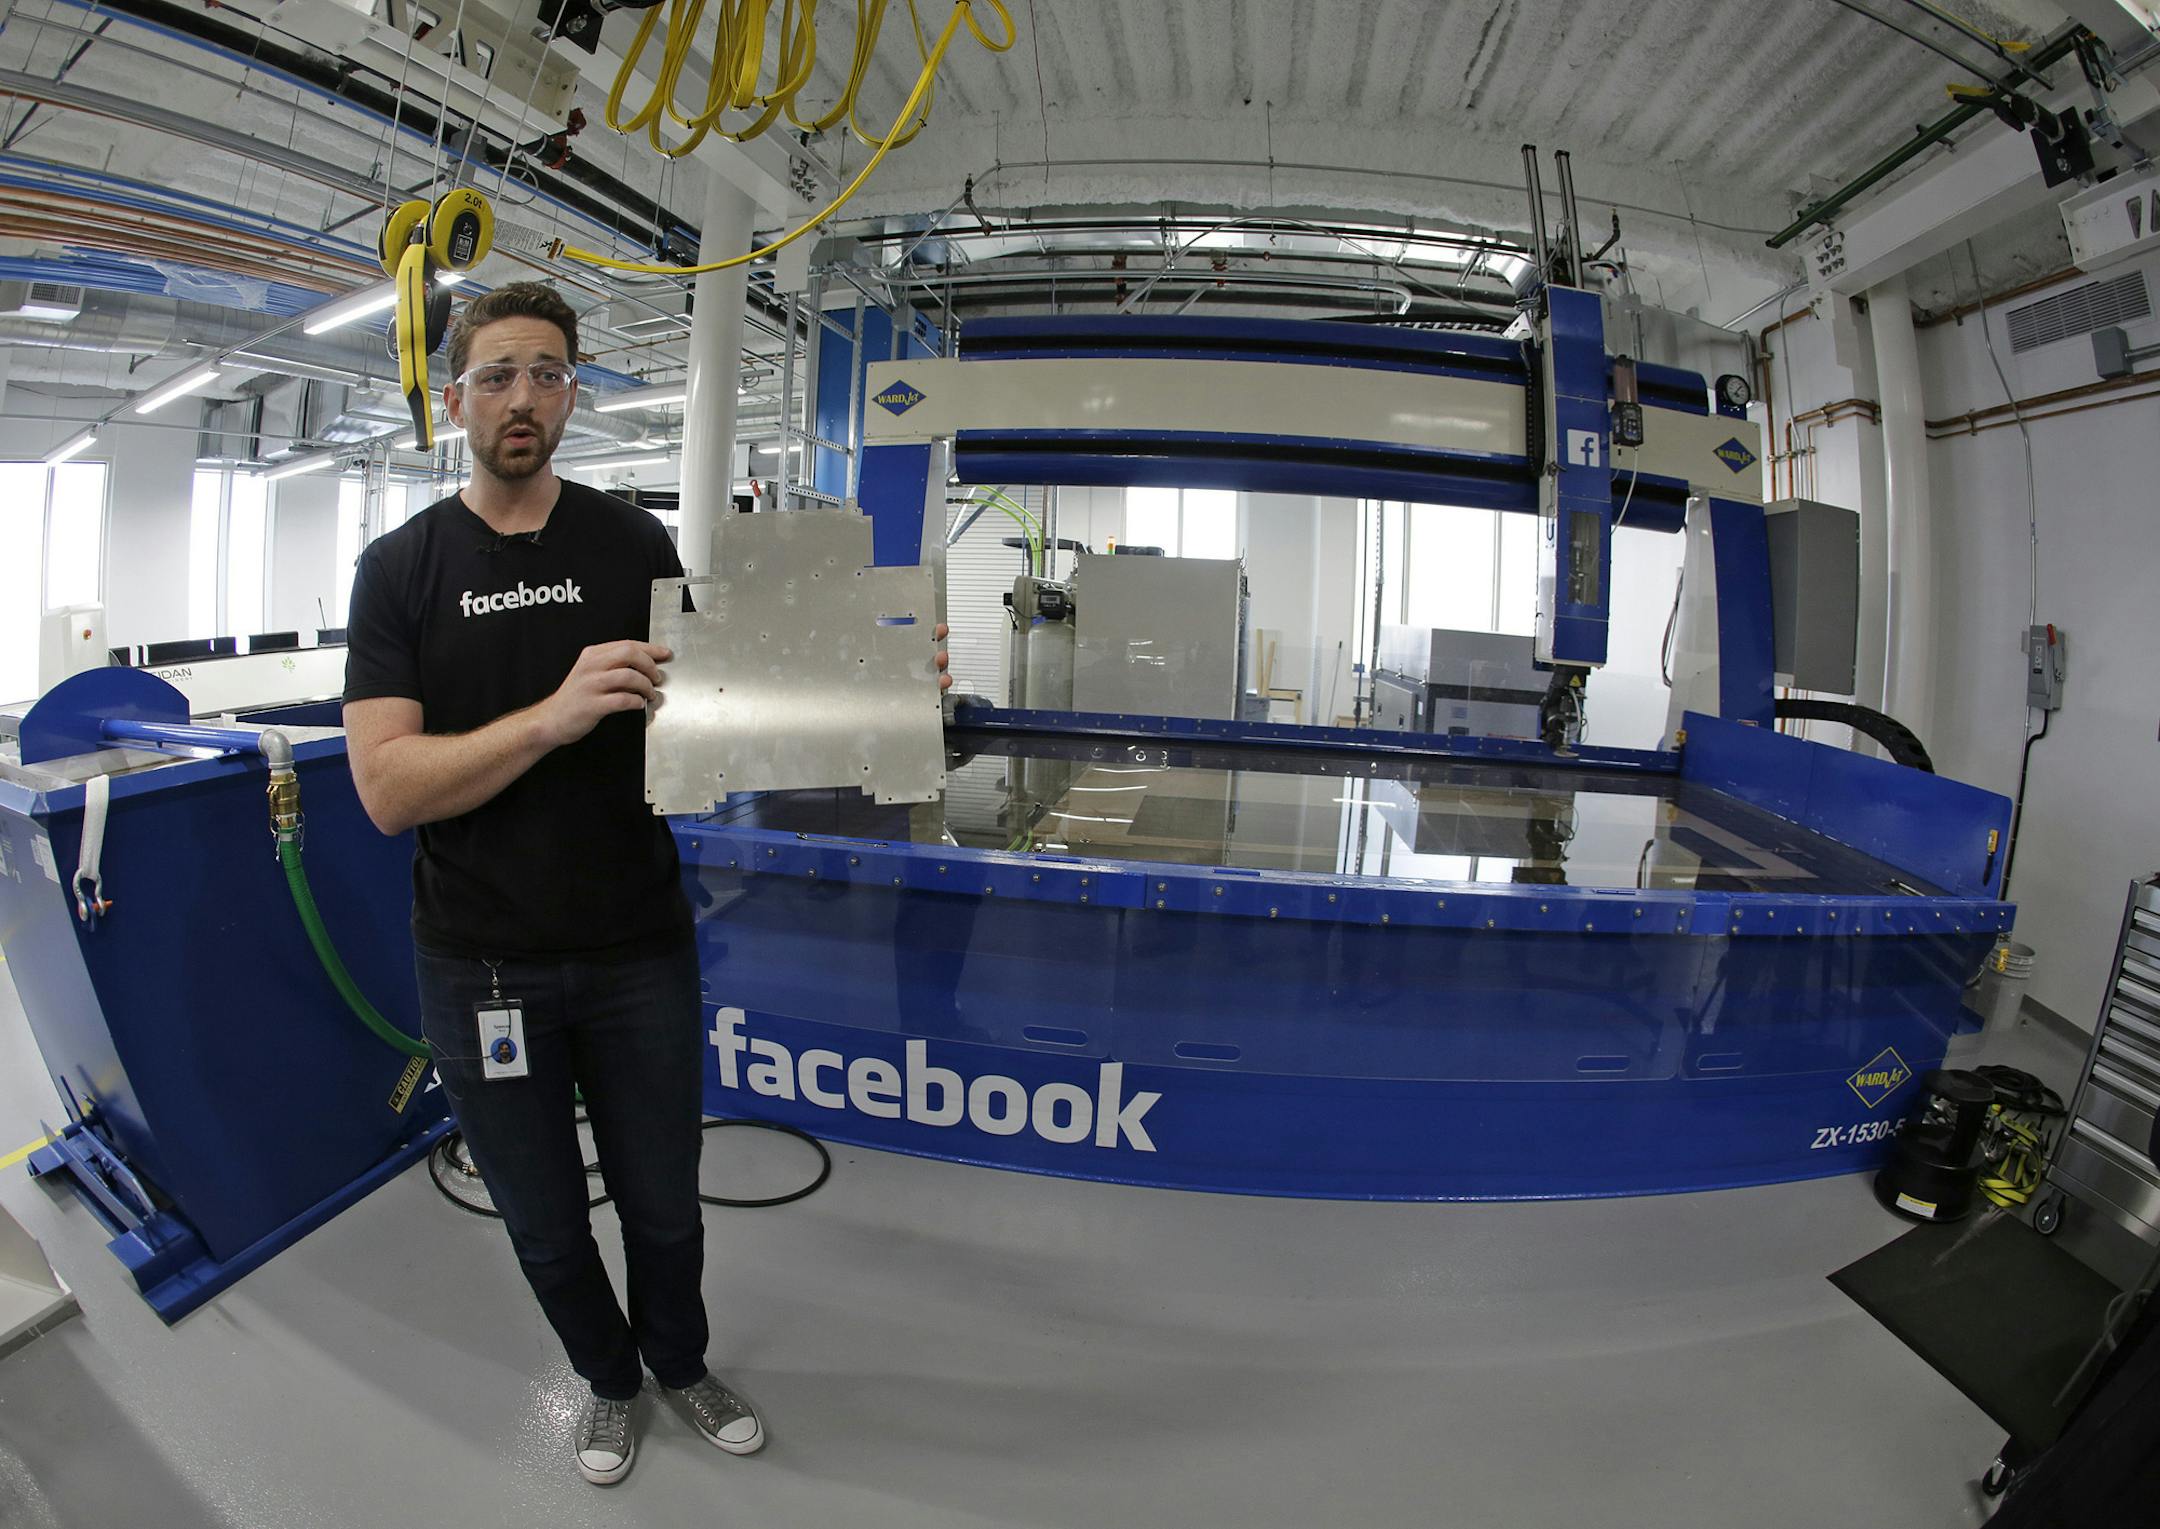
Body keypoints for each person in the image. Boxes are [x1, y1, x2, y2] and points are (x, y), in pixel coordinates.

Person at [340, 281, 948, 1485]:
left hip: (636, 950)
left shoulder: (630, 544)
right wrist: (553, 718)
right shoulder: (398, 568)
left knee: (666, 1204)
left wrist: (876, 679)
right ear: (456, 395)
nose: (525, 397)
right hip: (482, 964)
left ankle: (678, 1359)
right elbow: (388, 788)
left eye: (549, 373)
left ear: (575, 392)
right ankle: (609, 1379)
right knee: (545, 1219)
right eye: (500, 373)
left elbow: (721, 710)